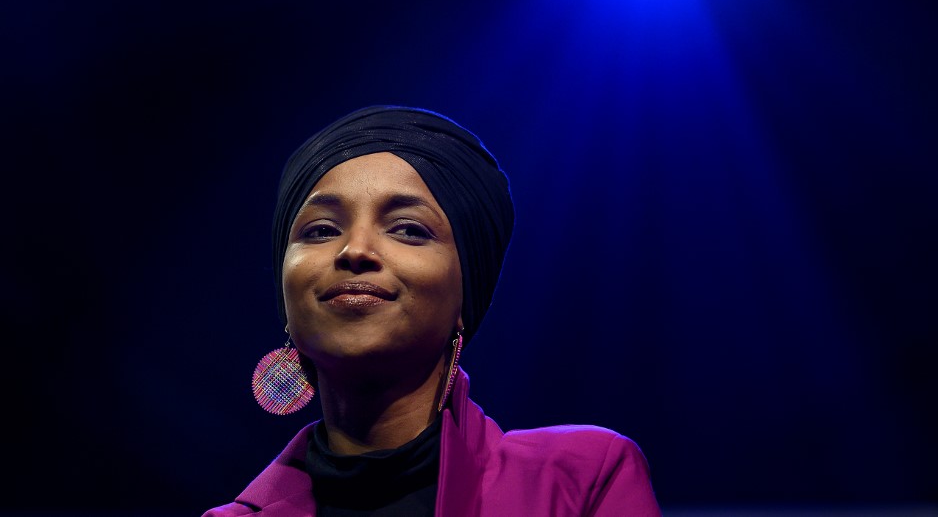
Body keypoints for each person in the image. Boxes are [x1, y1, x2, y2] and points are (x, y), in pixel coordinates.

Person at [203, 105, 661, 516]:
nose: (354, 250)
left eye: (407, 229)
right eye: (321, 230)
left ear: (467, 292)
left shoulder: (578, 480)